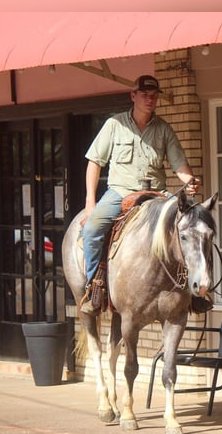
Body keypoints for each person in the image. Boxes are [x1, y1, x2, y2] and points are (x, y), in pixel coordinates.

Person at [80, 74, 200, 314]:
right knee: (92, 228)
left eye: (154, 96)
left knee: (193, 225)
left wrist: (191, 181)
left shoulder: (164, 129)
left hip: (157, 193)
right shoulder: (115, 125)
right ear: (133, 96)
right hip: (120, 192)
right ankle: (94, 286)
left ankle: (194, 288)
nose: (150, 99)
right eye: (144, 95)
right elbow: (94, 162)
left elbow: (179, 165)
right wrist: (90, 201)